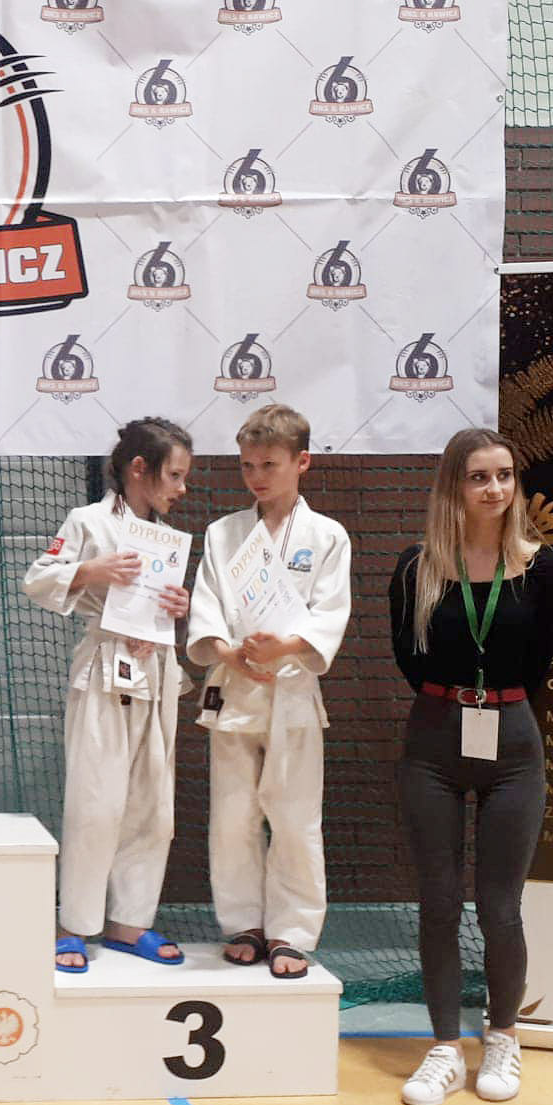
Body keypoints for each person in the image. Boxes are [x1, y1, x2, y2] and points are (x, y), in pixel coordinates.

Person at [389, 428, 553, 1105]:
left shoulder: (541, 567)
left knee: (498, 905)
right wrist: (457, 699)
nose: (494, 488)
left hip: (513, 745)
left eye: (504, 475)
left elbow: (539, 662)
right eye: (478, 477)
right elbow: (408, 659)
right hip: (433, 741)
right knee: (437, 900)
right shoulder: (416, 567)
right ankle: (442, 1049)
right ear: (453, 487)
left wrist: (494, 701)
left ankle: (502, 1037)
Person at [186, 405, 352, 978]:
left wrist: (285, 647)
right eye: (248, 465)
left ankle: (291, 932)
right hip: (234, 686)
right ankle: (244, 924)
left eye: (270, 464)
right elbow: (206, 604)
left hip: (292, 689)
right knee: (232, 815)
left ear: (301, 462)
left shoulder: (327, 536)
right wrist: (227, 651)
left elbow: (330, 611)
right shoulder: (223, 533)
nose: (257, 476)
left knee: (295, 816)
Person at [23, 418, 194, 972]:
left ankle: (129, 922)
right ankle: (74, 924)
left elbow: (163, 604)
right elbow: (37, 579)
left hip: (158, 670)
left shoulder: (166, 538)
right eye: (174, 475)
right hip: (102, 669)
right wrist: (88, 571)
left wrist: (176, 609)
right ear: (139, 469)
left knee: (154, 805)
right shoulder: (87, 521)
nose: (182, 488)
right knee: (96, 801)